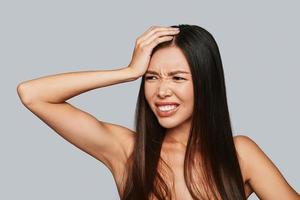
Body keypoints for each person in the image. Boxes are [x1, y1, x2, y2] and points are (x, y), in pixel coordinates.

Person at [17, 24, 299, 200]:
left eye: (177, 78)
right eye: (151, 77)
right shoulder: (127, 151)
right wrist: (128, 72)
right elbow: (33, 94)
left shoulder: (239, 154)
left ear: (205, 83)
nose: (161, 90)